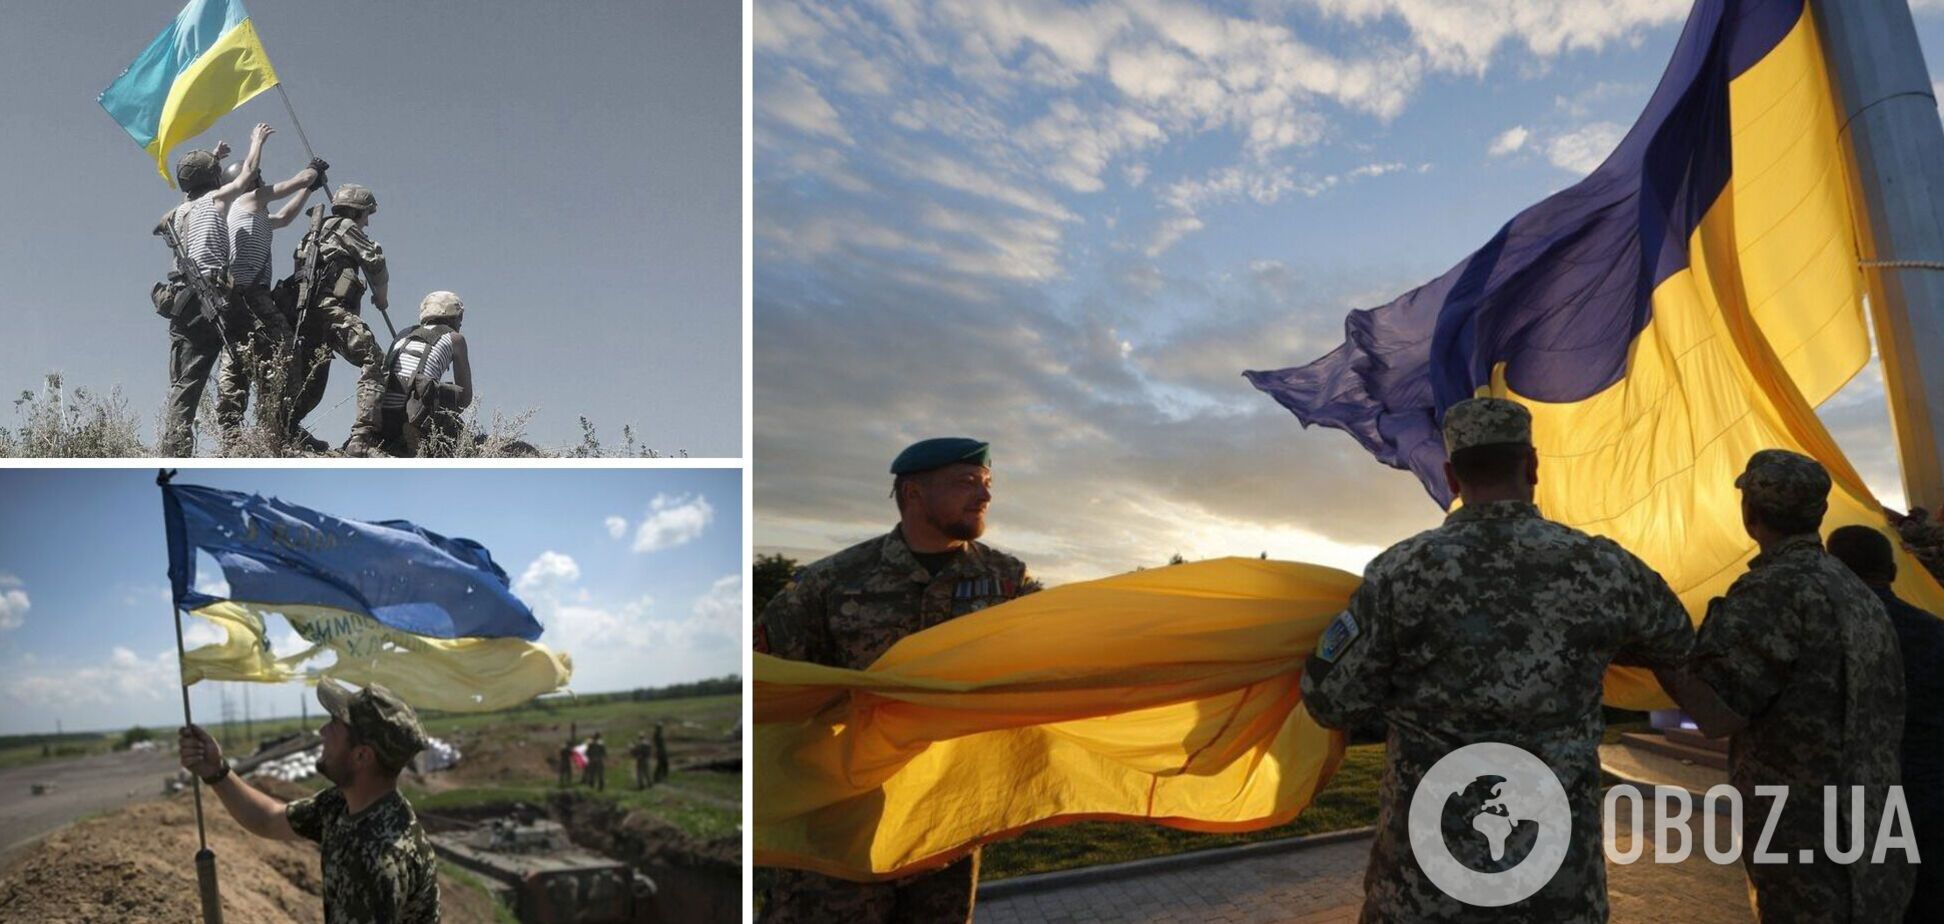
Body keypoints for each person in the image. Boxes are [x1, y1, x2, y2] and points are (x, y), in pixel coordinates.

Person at [1302, 397, 1695, 923]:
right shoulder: (1604, 568)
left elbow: (1328, 700)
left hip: (1426, 891)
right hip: (1556, 890)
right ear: (1532, 465)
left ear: (1451, 477)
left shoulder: (1401, 574)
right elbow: (1679, 648)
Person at [756, 437, 1039, 923]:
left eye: (987, 483)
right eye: (966, 482)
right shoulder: (832, 581)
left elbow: (1071, 645)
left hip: (946, 818)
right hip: (845, 819)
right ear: (913, 492)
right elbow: (768, 680)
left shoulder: (1007, 580)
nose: (985, 496)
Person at [1657, 450, 1913, 922]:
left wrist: (1658, 650)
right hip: (1872, 832)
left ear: (1750, 514)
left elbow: (1717, 714)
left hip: (1807, 845)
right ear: (1818, 512)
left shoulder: (1773, 592)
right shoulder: (1855, 591)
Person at [177, 679, 438, 923]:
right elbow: (269, 819)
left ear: (361, 756)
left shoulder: (377, 860)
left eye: (334, 724)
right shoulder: (343, 804)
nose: (322, 731)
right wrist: (216, 771)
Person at [1826, 524, 1943, 923]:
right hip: (1929, 798)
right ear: (1893, 573)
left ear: (1832, 571)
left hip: (1855, 807)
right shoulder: (1933, 632)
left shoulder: (1826, 638)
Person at [211, 122, 325, 449]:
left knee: (236, 355)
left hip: (238, 294)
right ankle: (280, 425)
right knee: (285, 349)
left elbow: (286, 217)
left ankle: (234, 433)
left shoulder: (252, 212)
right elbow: (295, 180)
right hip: (251, 294)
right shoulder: (248, 201)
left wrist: (310, 188)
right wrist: (311, 173)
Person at [285, 183, 390, 455]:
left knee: (314, 375)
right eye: (366, 215)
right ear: (357, 212)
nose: (367, 223)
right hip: (330, 309)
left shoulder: (312, 234)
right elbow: (375, 262)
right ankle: (362, 438)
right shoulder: (345, 227)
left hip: (304, 315)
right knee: (373, 358)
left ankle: (286, 427)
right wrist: (382, 297)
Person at [157, 140, 238, 456]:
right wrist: (257, 144)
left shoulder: (179, 212)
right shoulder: (210, 202)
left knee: (187, 381)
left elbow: (195, 191)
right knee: (189, 382)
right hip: (200, 301)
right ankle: (175, 452)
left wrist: (213, 160)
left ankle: (179, 449)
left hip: (188, 300)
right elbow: (241, 181)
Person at [371, 291, 473, 456]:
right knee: (449, 394)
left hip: (382, 415)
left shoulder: (402, 335)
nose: (461, 323)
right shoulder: (456, 339)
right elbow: (466, 398)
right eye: (460, 317)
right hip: (413, 414)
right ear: (452, 316)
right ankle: (418, 432)